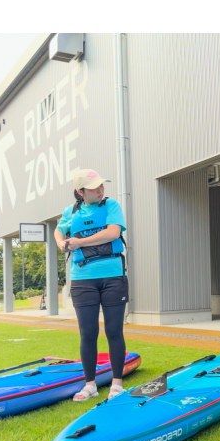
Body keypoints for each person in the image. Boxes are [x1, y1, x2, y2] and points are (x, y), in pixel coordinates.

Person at [54, 168, 129, 401]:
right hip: (82, 279)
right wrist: (62, 243)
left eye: (101, 185)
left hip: (112, 276)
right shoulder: (71, 212)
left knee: (114, 330)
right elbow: (59, 230)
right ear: (80, 191)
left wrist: (79, 242)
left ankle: (117, 384)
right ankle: (90, 385)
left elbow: (113, 233)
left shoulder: (111, 206)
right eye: (94, 187)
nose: (100, 189)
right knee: (88, 332)